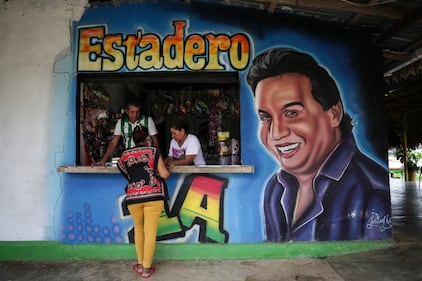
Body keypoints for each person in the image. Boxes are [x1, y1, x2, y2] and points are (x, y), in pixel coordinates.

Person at [246, 47, 392, 242]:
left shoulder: (373, 193)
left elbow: (373, 266)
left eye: (291, 113)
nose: (276, 134)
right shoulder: (276, 188)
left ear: (333, 114)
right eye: (265, 117)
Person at [117, 125, 170, 278]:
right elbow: (164, 174)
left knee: (138, 229)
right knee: (150, 232)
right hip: (154, 196)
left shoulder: (125, 155)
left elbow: (125, 172)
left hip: (133, 197)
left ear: (133, 139)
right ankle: (147, 269)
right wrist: (169, 168)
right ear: (148, 138)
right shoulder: (154, 151)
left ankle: (140, 265)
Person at [95, 100, 160, 166]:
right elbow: (114, 142)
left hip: (146, 158)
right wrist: (103, 160)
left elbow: (155, 141)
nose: (135, 115)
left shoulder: (148, 120)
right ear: (126, 111)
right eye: (132, 112)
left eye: (137, 112)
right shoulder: (121, 123)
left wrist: (156, 160)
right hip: (130, 159)